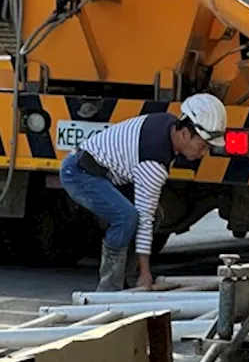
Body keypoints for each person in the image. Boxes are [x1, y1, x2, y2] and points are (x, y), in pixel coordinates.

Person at [59, 93, 227, 292]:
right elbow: (144, 217)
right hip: (79, 173)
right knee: (126, 217)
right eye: (202, 145)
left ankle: (131, 280)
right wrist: (147, 273)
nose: (203, 153)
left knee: (152, 216)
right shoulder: (154, 160)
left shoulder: (169, 124)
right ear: (184, 134)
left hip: (106, 173)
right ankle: (109, 288)